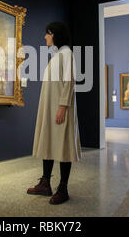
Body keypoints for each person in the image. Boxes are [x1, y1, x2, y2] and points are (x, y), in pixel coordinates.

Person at [27, 22, 82, 205]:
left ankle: (63, 188)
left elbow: (69, 81)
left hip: (59, 108)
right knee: (49, 141)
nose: (45, 37)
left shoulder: (67, 54)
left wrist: (63, 106)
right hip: (50, 107)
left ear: (56, 35)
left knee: (64, 146)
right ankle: (45, 183)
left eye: (48, 33)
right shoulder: (58, 55)